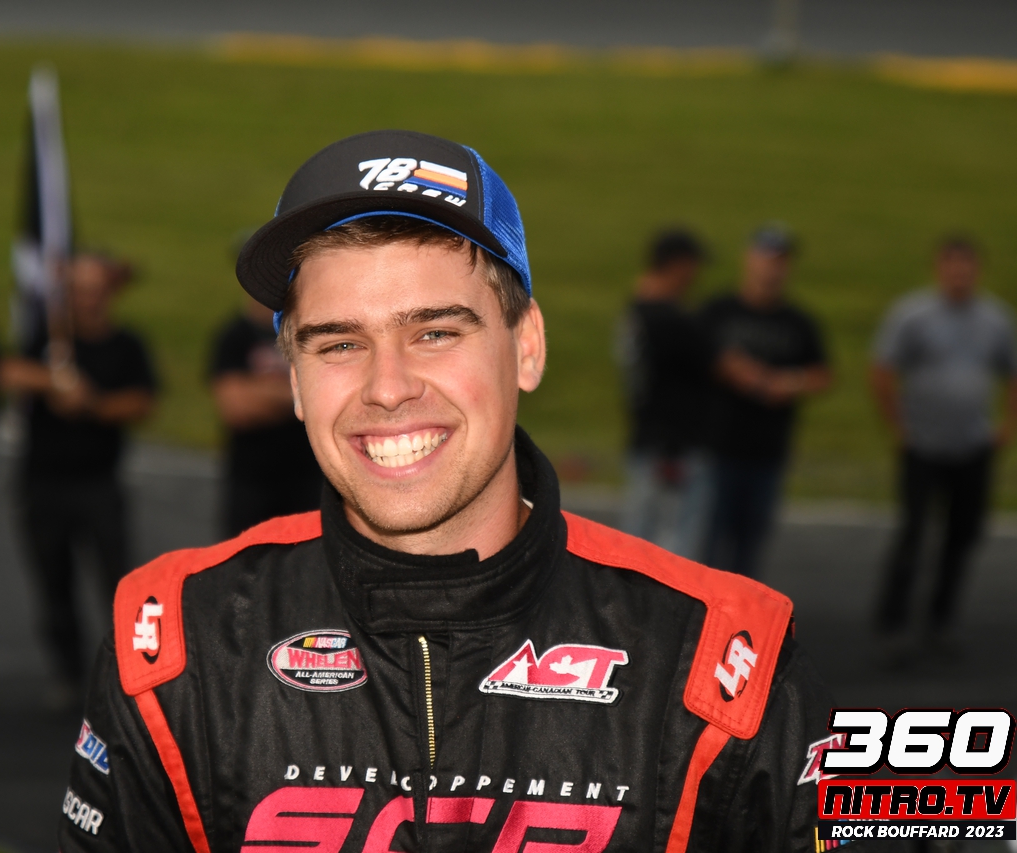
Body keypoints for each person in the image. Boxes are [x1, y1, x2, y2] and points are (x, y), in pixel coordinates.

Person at [59, 132, 860, 853]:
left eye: (435, 332)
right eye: (339, 343)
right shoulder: (173, 652)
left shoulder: (727, 661)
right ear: (295, 380)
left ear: (527, 346)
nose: (388, 387)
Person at [0, 252, 158, 706]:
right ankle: (67, 674)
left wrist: (92, 404)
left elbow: (141, 402)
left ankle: (127, 671)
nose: (87, 299)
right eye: (79, 290)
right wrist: (54, 382)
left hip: (99, 483)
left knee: (119, 582)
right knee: (54, 583)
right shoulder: (50, 340)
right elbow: (8, 370)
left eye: (95, 290)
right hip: (42, 484)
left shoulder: (126, 344)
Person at [870, 235, 1016, 653]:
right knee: (914, 533)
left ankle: (940, 619)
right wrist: (899, 427)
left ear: (977, 271)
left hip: (972, 446)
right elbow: (882, 369)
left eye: (966, 268)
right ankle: (893, 623)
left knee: (963, 535)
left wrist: (1006, 426)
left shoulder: (995, 319)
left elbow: (1011, 372)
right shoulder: (913, 315)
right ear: (939, 269)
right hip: (924, 446)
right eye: (952, 267)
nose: (959, 275)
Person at [701, 225, 831, 578]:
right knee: (706, 546)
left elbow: (822, 374)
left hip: (768, 452)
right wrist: (733, 370)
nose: (772, 269)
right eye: (766, 259)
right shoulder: (719, 311)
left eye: (780, 261)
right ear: (749, 259)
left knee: (749, 550)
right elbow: (695, 355)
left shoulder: (798, 322)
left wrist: (787, 383)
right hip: (717, 448)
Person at [616, 228, 713, 558]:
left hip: (650, 437)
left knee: (641, 535)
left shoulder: (637, 312)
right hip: (671, 446)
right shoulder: (669, 320)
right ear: (677, 265)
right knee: (673, 542)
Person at [210, 295, 323, 537]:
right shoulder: (235, 336)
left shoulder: (308, 332)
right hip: (251, 476)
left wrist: (260, 392)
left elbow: (327, 393)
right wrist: (302, 396)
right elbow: (237, 408)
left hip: (308, 474)